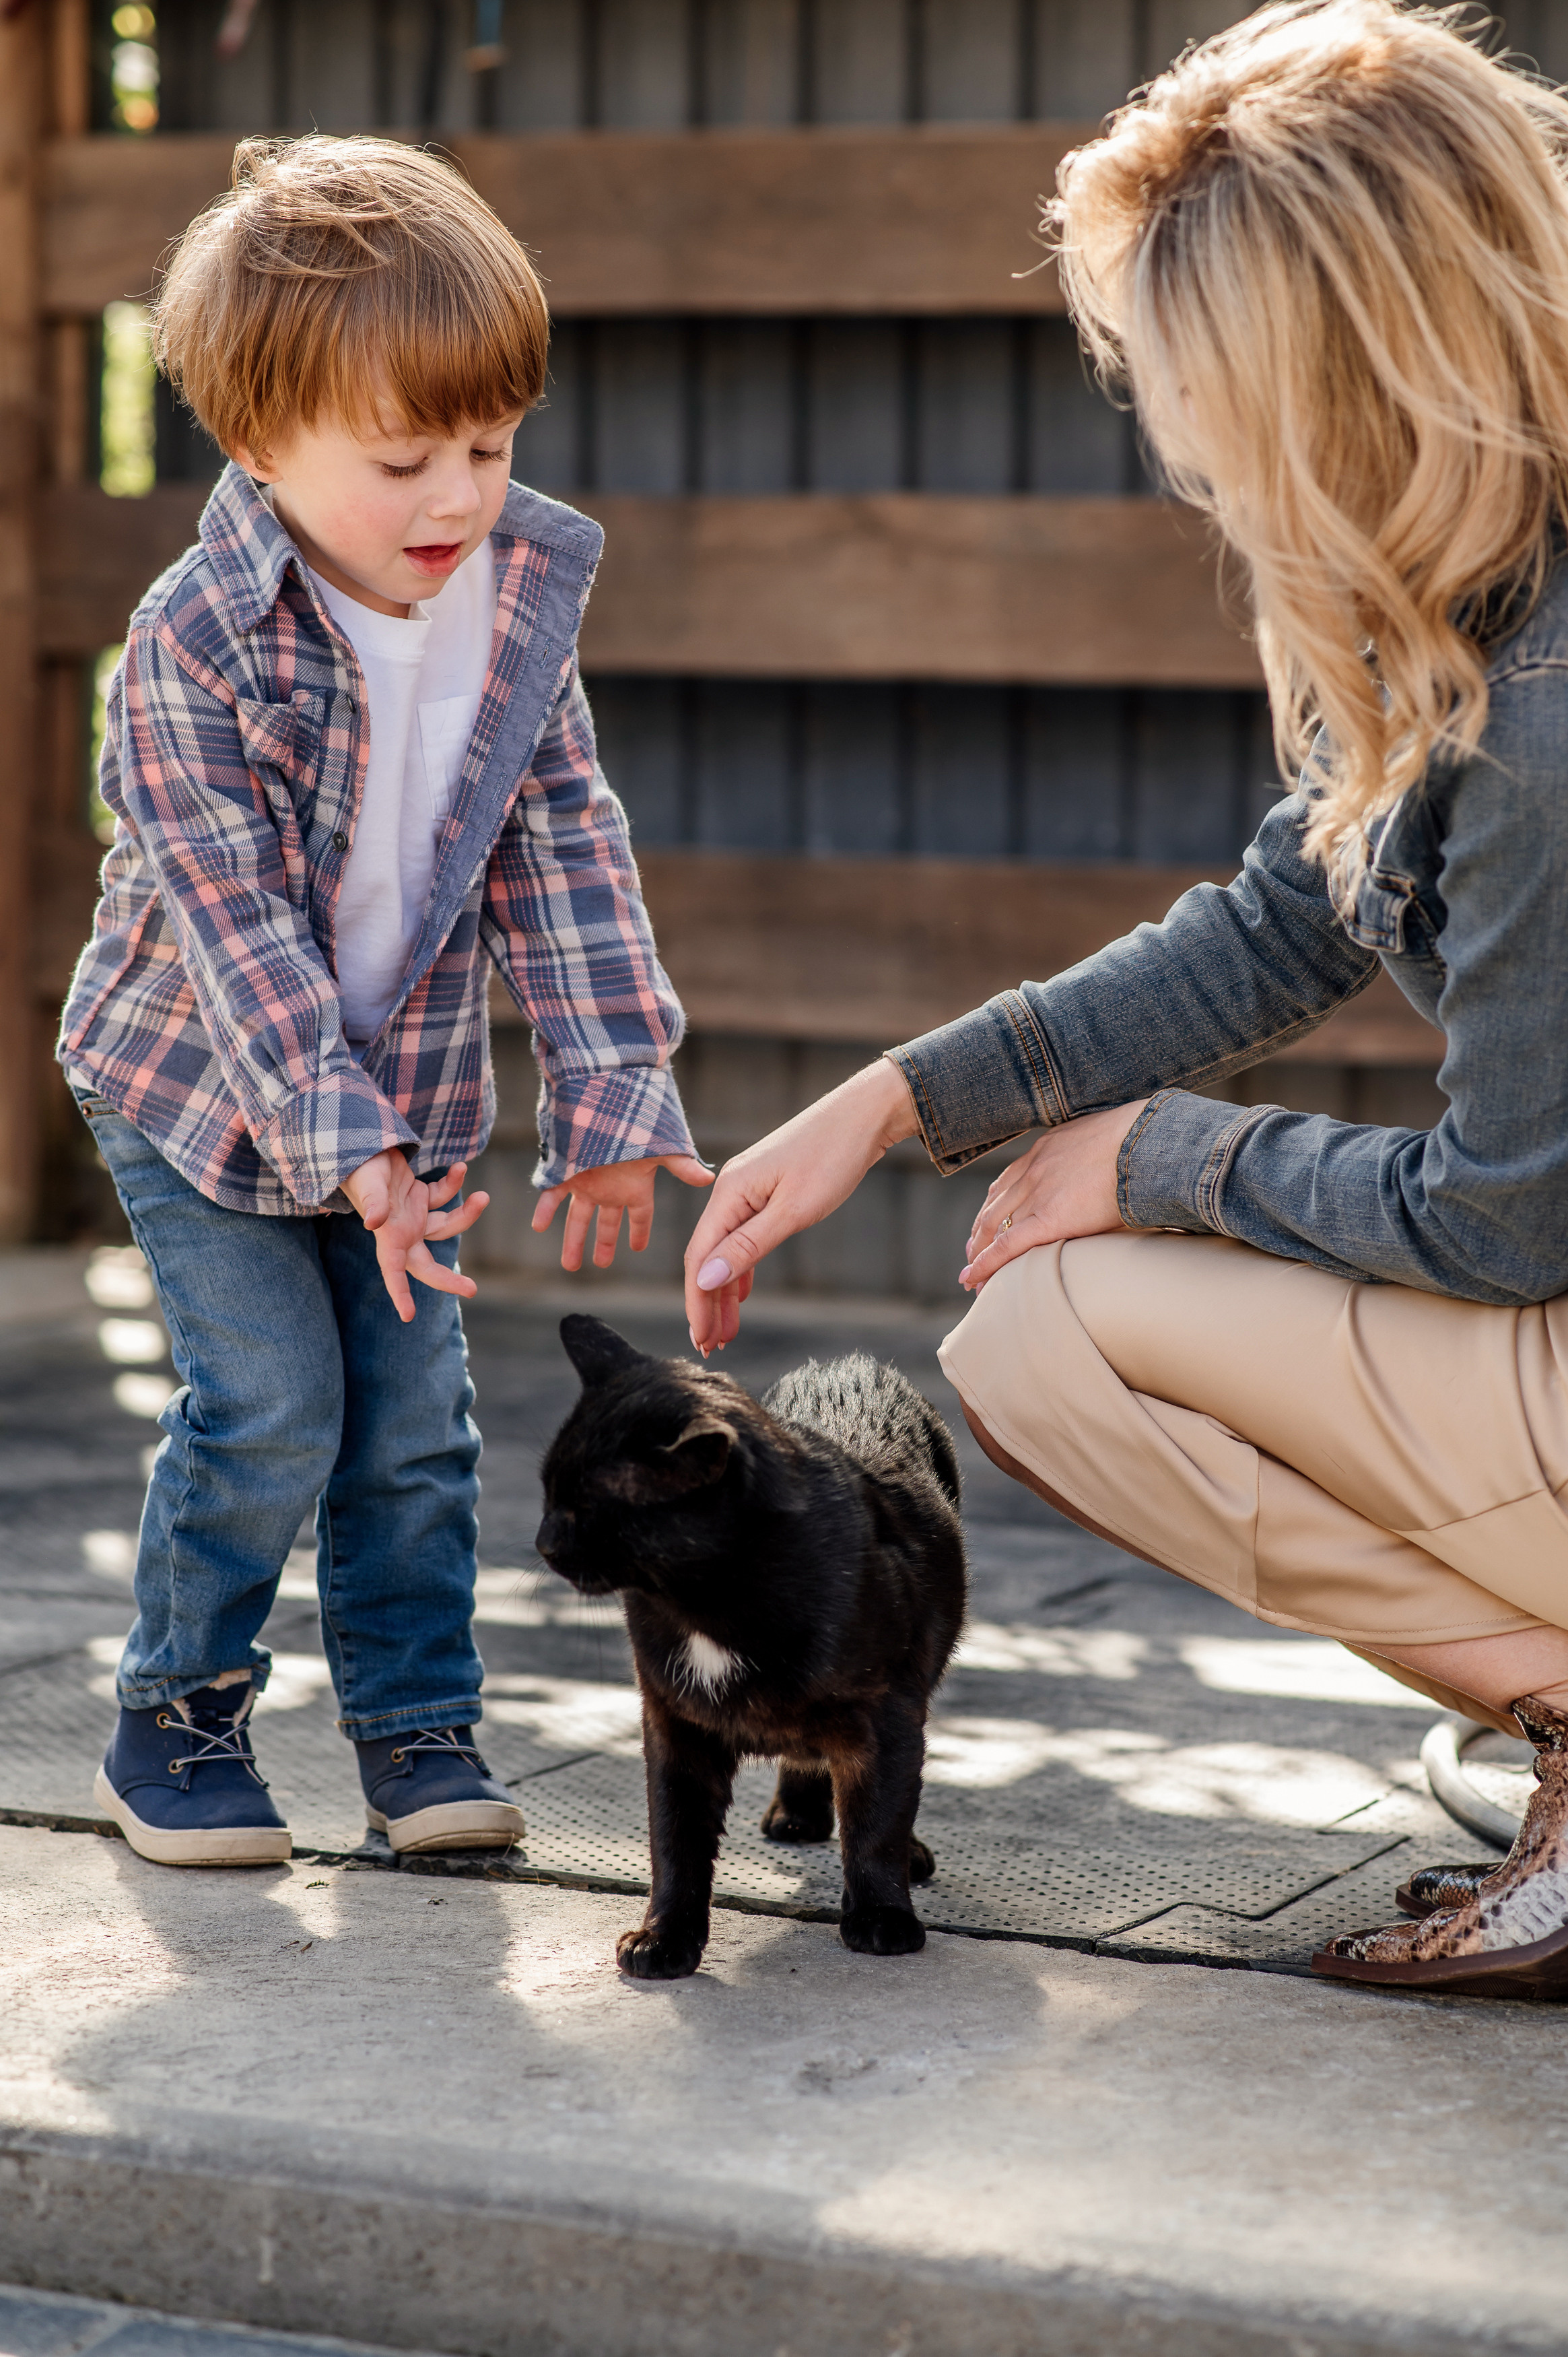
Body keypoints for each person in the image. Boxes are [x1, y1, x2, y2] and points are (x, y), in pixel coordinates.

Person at [683, 0, 1568, 1999]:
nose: (1179, 447)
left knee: (1052, 1336)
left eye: (1188, 386)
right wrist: (896, 1102)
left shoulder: (1547, 714)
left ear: (1340, 377)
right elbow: (1288, 919)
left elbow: (1518, 1217)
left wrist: (1160, 1155)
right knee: (1043, 1320)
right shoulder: (1499, 588)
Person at [61, 135, 709, 1868]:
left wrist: (614, 1093)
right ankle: (176, 1725)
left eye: (490, 449)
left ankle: (418, 1731)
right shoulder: (194, 644)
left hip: (405, 1102)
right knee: (273, 1403)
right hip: (201, 1092)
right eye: (405, 456)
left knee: (417, 1426)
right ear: (260, 448)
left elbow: (564, 847)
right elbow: (238, 936)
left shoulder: (512, 613)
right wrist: (350, 1157)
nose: (456, 499)